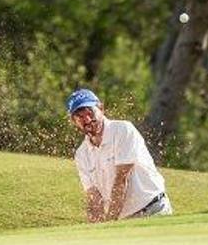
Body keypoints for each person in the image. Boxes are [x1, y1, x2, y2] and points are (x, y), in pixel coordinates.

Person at [66, 88, 172, 222]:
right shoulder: (82, 154)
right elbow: (94, 198)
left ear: (101, 109)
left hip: (153, 210)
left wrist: (110, 222)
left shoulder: (123, 130)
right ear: (74, 122)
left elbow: (122, 179)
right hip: (125, 220)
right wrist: (95, 231)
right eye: (79, 116)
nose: (87, 119)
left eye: (90, 112)